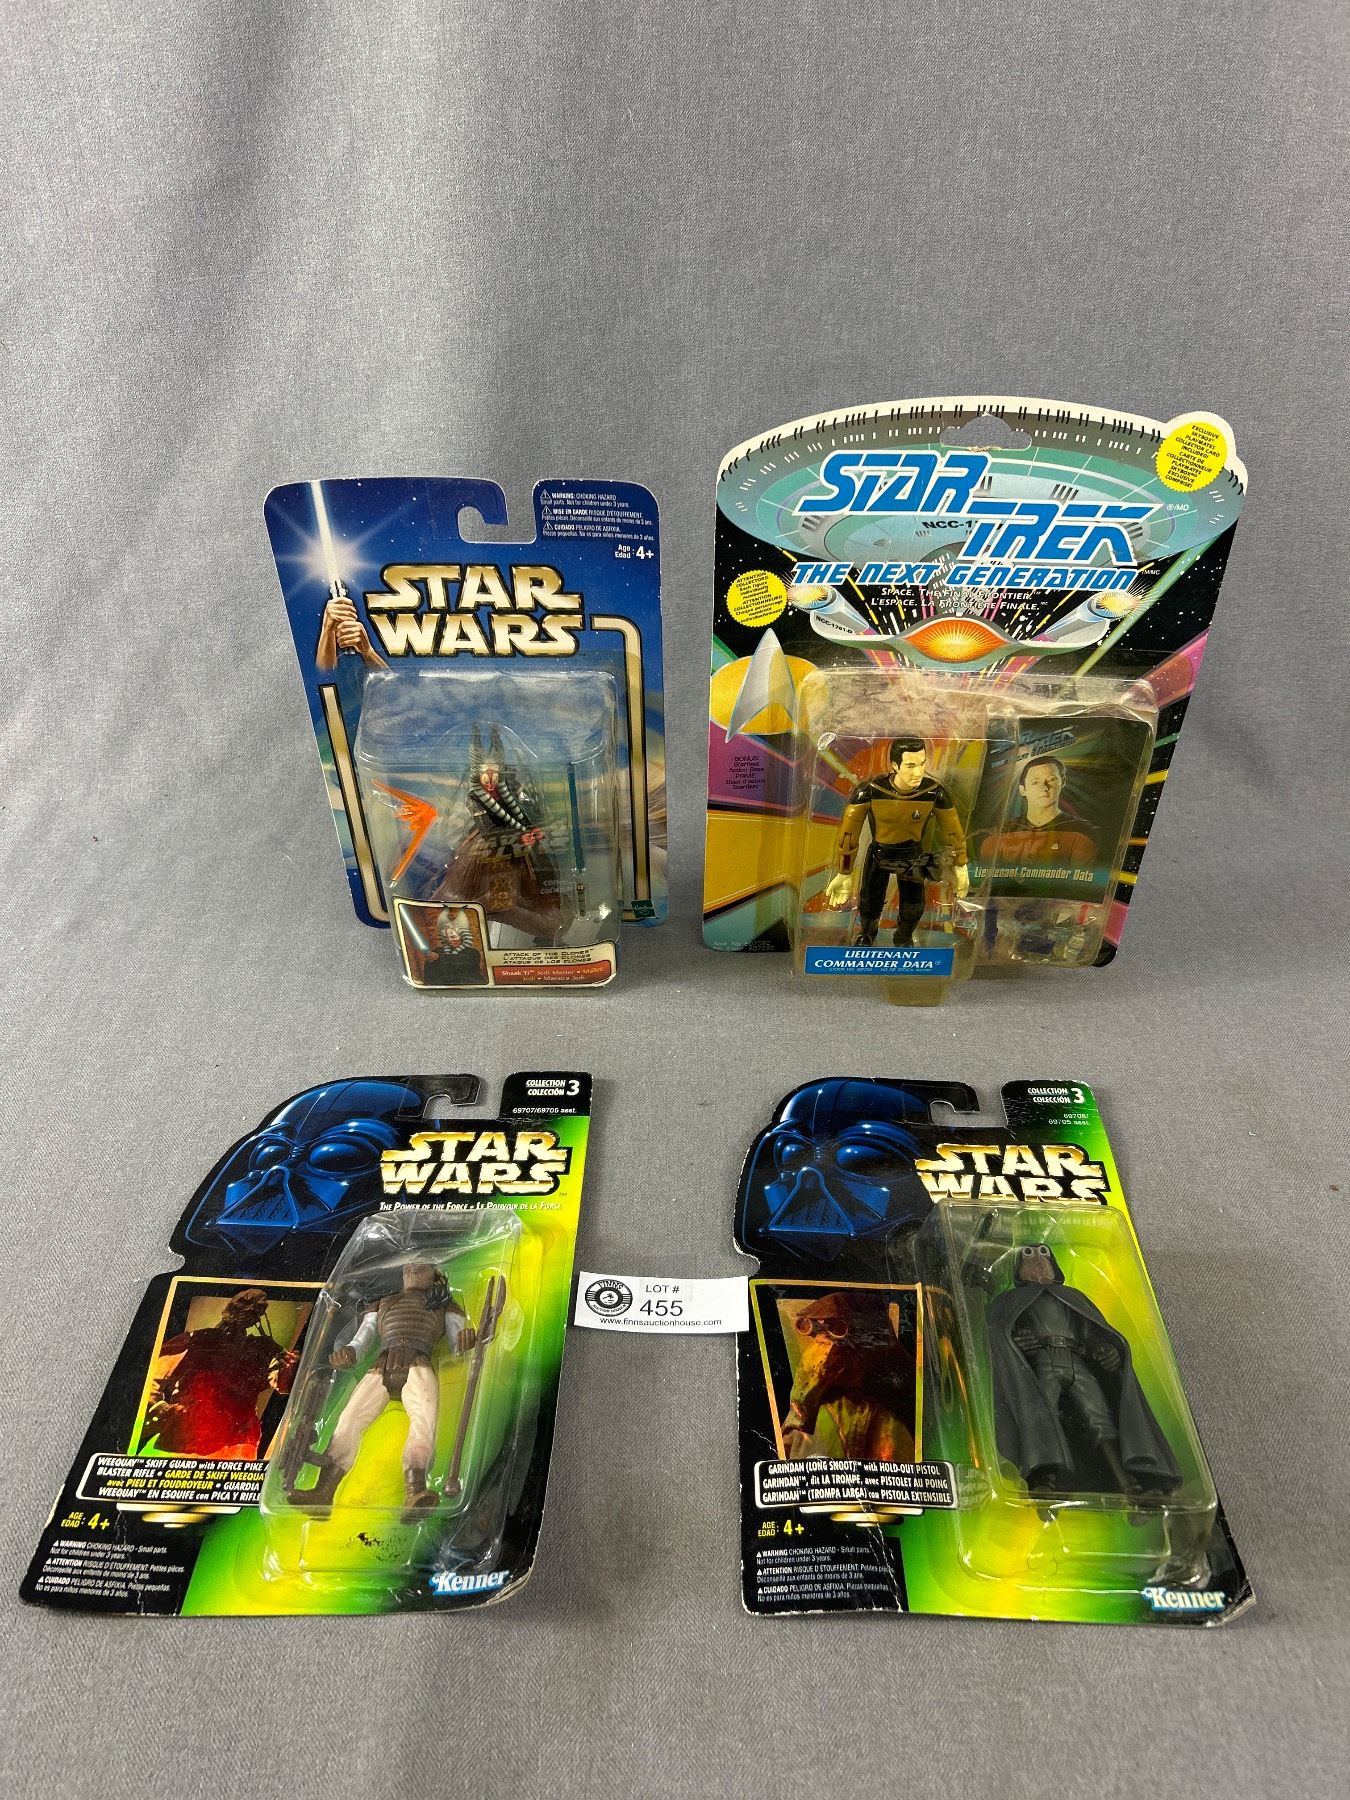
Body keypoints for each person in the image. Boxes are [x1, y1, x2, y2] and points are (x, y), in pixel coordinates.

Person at [825, 737, 968, 946]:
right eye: (910, 766)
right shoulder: (870, 791)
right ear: (894, 765)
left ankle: (903, 937)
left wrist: (961, 865)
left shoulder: (933, 793)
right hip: (879, 854)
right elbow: (848, 835)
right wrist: (844, 872)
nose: (918, 772)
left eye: (922, 764)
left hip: (912, 855)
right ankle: (867, 933)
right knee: (869, 901)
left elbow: (953, 832)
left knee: (913, 906)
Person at [146, 1288, 297, 1459]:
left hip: (236, 1448)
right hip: (185, 1445)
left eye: (255, 1309)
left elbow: (282, 1381)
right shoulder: (199, 1338)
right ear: (229, 1308)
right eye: (243, 1304)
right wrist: (162, 1413)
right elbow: (152, 1374)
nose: (247, 1311)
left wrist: (290, 1370)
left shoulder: (262, 1348)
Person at [979, 755, 1096, 870]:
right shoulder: (1000, 834)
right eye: (1035, 782)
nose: (1044, 788)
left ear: (1063, 781)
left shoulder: (1082, 831)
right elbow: (985, 877)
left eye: (1051, 779)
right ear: (1022, 790)